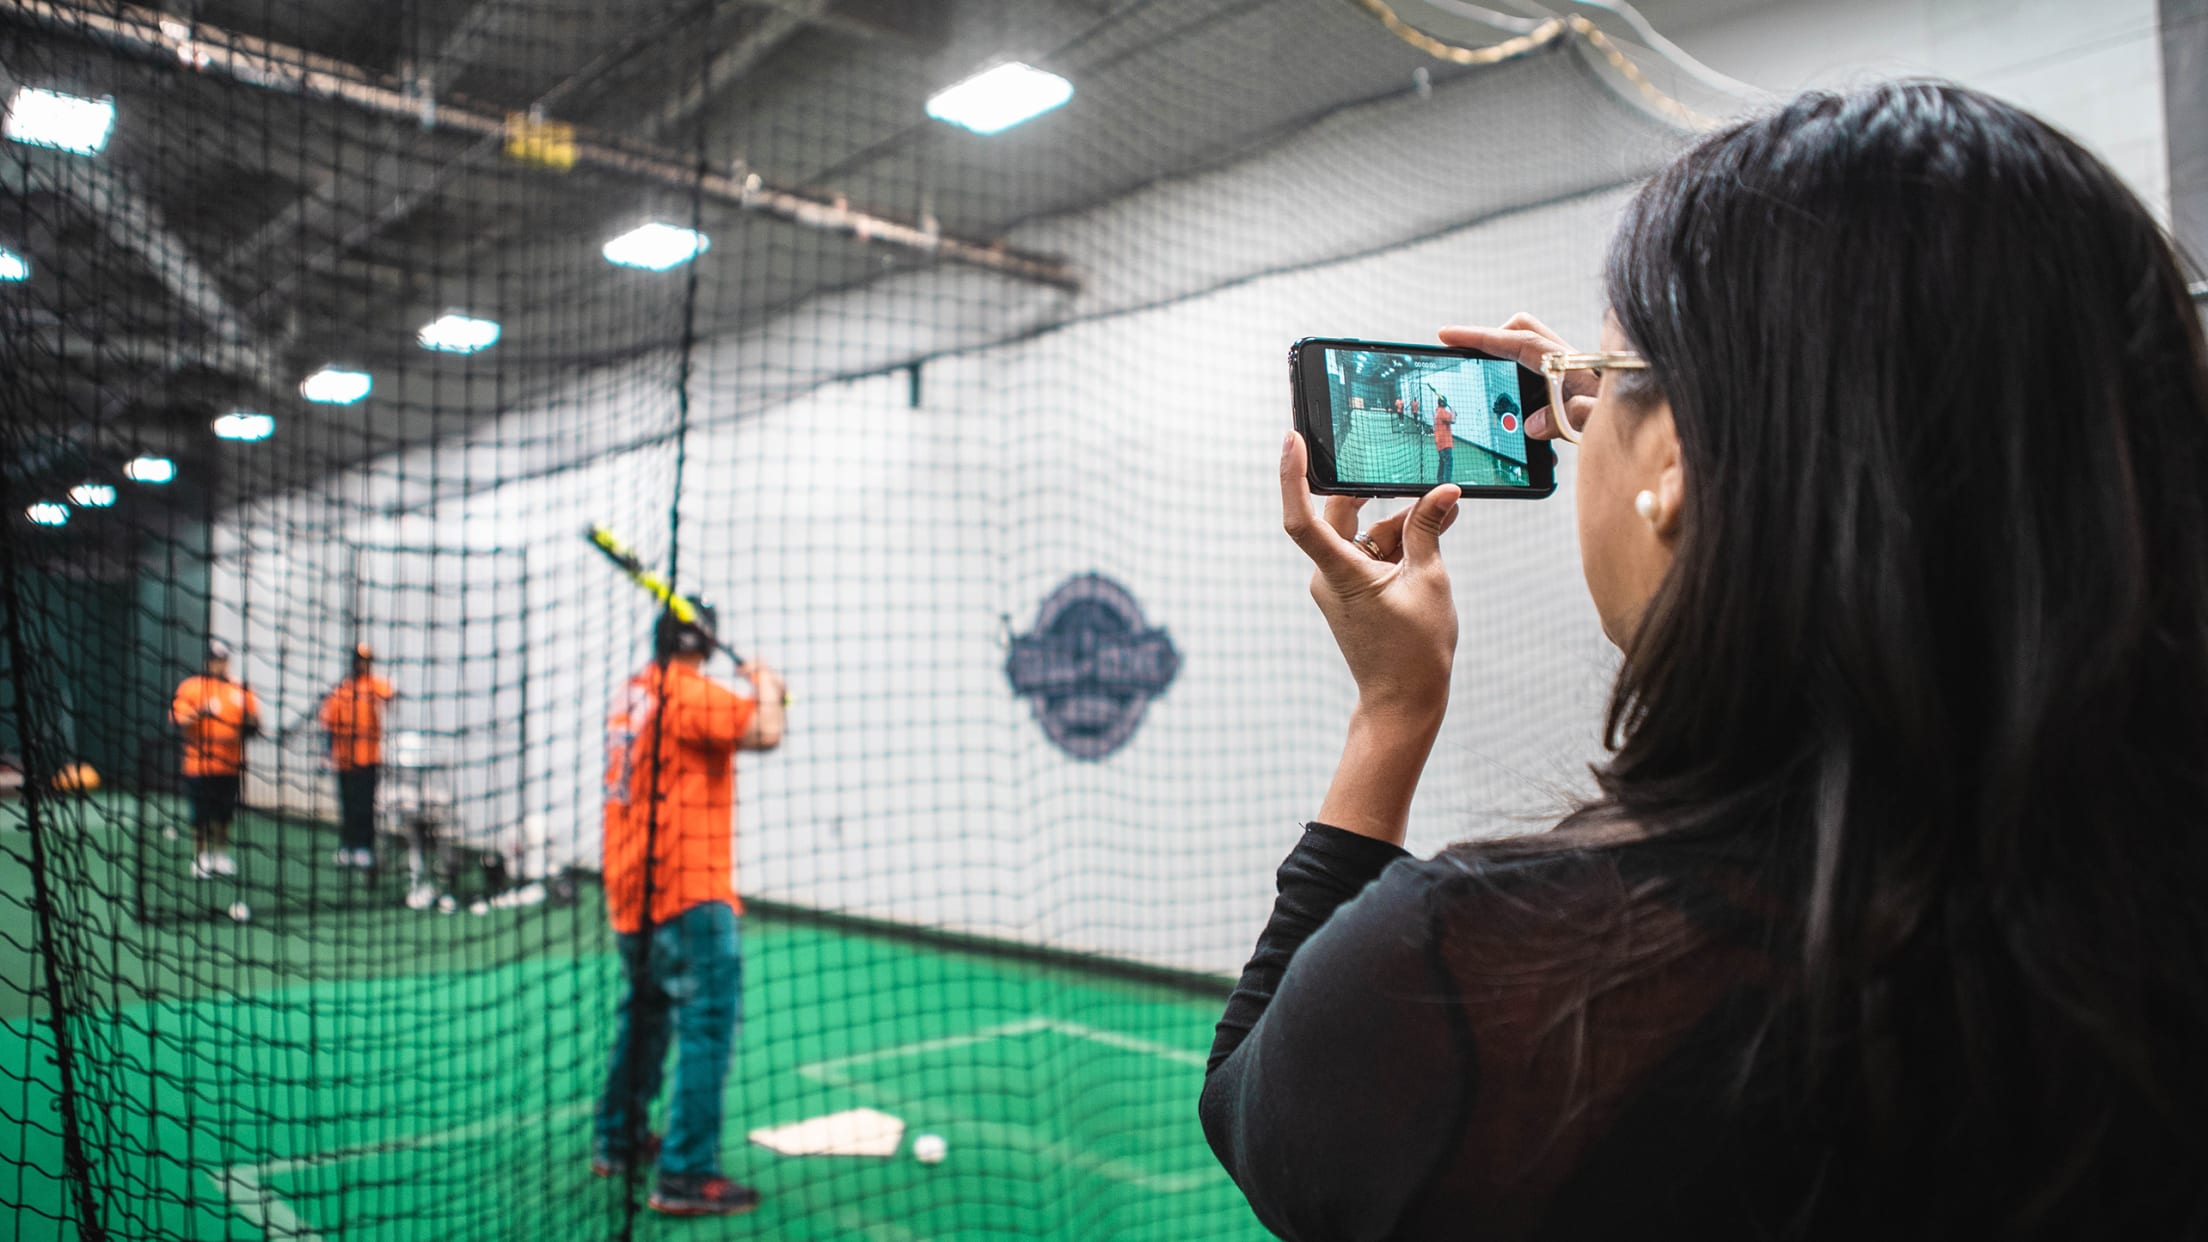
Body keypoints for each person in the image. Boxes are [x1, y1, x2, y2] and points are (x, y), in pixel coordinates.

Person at [1204, 83, 2208, 1240]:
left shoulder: (1481, 974)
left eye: (1614, 372)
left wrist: (1392, 710)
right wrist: (1677, 430)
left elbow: (1252, 1108)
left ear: (1676, 463)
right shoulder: (2140, 903)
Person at [592, 600, 785, 1216]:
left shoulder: (635, 694)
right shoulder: (689, 692)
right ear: (703, 643)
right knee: (706, 1026)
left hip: (632, 893)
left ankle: (617, 1140)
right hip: (689, 892)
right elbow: (765, 731)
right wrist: (767, 685)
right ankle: (684, 1174)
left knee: (646, 1017)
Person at [169, 639, 261, 879]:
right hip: (199, 765)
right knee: (200, 814)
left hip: (229, 766)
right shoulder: (192, 687)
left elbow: (254, 725)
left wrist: (250, 721)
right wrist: (202, 711)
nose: (217, 665)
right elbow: (177, 720)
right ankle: (201, 857)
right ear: (206, 662)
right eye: (213, 660)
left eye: (221, 660)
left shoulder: (240, 690)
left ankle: (220, 855)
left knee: (224, 813)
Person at [319, 642, 395, 869]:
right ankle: (349, 846)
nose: (364, 665)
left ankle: (364, 847)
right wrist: (326, 754)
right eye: (361, 660)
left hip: (368, 759)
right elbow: (329, 724)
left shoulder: (374, 686)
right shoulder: (341, 690)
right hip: (344, 760)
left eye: (368, 661)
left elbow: (390, 694)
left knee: (365, 806)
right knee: (348, 805)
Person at [1430, 394, 1454, 483]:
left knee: (1442, 461)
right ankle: (1447, 482)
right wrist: (1453, 412)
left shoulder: (1437, 411)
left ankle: (1440, 480)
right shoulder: (1443, 412)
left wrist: (1452, 413)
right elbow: (1453, 420)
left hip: (1439, 442)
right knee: (1448, 462)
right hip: (1445, 443)